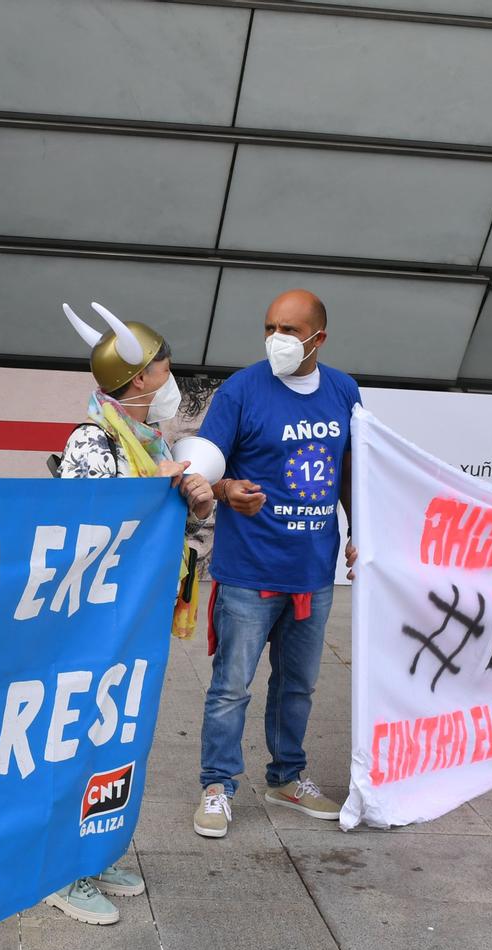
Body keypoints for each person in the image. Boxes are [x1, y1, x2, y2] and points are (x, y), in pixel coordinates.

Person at [44, 302, 218, 923]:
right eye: (165, 367)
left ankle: (95, 851)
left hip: (138, 620)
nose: (172, 377)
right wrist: (161, 486)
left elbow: (183, 531)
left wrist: (195, 500)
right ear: (142, 378)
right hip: (95, 627)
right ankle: (62, 869)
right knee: (79, 740)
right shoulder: (93, 440)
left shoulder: (148, 441)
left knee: (119, 737)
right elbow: (95, 531)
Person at [190, 289, 360, 838]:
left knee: (298, 685)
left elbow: (353, 471)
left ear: (319, 338)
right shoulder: (241, 391)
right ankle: (217, 785)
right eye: (270, 327)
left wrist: (366, 532)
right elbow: (203, 470)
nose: (277, 340)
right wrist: (223, 490)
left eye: (289, 330)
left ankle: (287, 776)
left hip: (313, 571)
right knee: (231, 686)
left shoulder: (344, 391)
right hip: (249, 572)